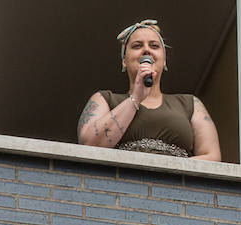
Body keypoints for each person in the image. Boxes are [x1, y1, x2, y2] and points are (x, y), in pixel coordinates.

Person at [76, 19, 222, 161]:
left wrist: (169, 169)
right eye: (137, 46)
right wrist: (136, 97)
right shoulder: (105, 99)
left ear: (164, 60)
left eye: (154, 46)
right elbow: (89, 146)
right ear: (124, 61)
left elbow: (212, 157)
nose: (146, 50)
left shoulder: (189, 103)